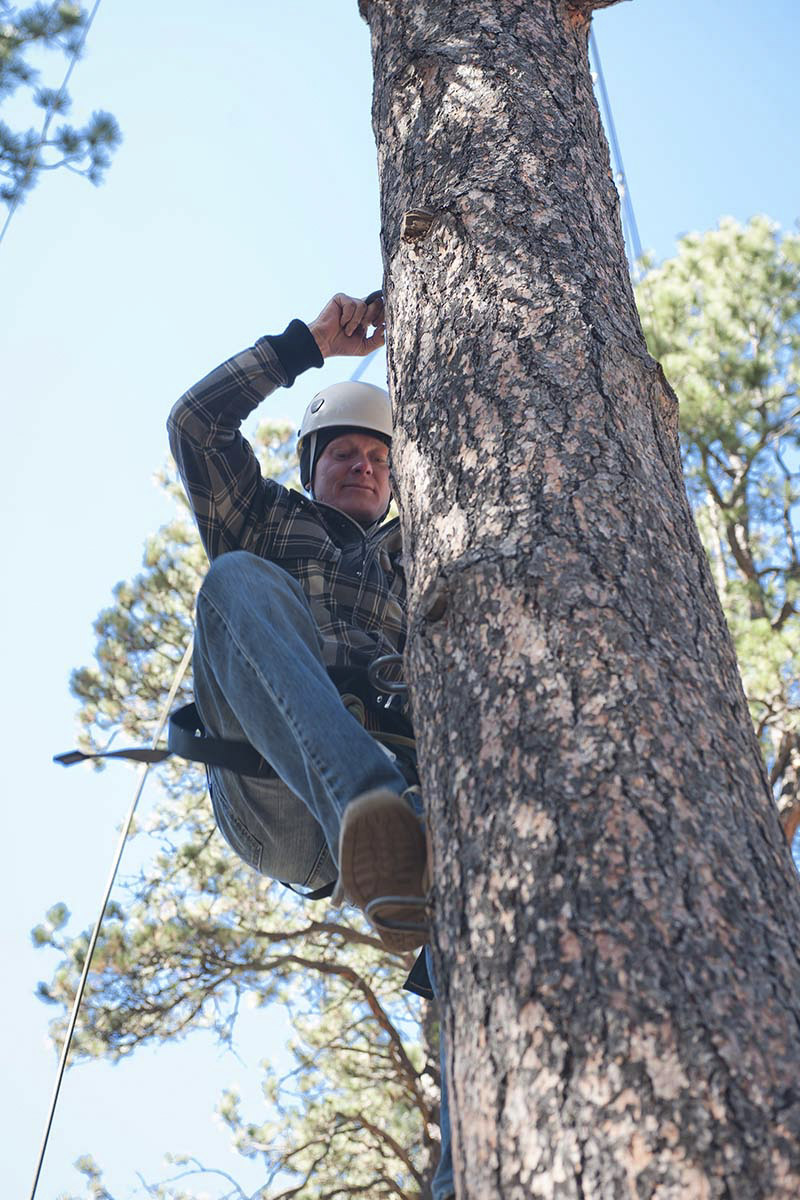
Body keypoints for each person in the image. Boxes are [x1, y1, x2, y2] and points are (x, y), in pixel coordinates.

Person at [168, 291, 454, 1200]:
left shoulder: (423, 561)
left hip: (417, 815)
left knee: (484, 990)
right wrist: (307, 347)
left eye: (379, 458)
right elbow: (194, 423)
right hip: (280, 796)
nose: (364, 467)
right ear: (312, 464)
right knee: (237, 581)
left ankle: (478, 1158)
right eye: (344, 454)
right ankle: (369, 820)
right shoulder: (267, 519)